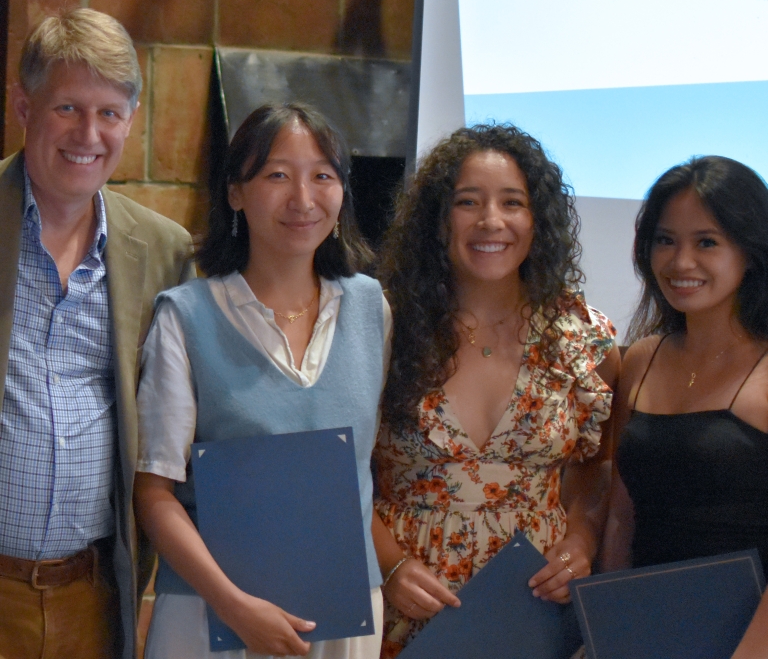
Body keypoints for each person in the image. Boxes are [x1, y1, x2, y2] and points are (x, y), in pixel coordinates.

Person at [134, 103, 391, 659]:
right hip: (213, 617)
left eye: (323, 175)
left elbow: (369, 469)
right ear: (235, 192)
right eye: (277, 175)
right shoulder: (186, 316)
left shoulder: (372, 307)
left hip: (344, 611)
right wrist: (233, 605)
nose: (303, 198)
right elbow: (155, 493)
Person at [371, 124, 620, 657]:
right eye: (468, 202)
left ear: (538, 220)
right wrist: (387, 563)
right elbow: (342, 471)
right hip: (404, 612)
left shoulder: (584, 339)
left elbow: (594, 467)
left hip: (533, 611)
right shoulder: (381, 327)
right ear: (438, 221)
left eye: (513, 203)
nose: (492, 221)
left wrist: (582, 538)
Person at [0, 8, 193, 659]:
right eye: (68, 108)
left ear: (132, 121)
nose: (89, 133)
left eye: (110, 113)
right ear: (25, 107)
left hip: (93, 596)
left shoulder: (163, 251)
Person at [602, 156, 768, 658]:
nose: (681, 262)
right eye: (665, 240)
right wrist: (607, 622)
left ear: (752, 250)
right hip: (645, 630)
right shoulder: (642, 358)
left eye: (707, 242)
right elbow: (621, 514)